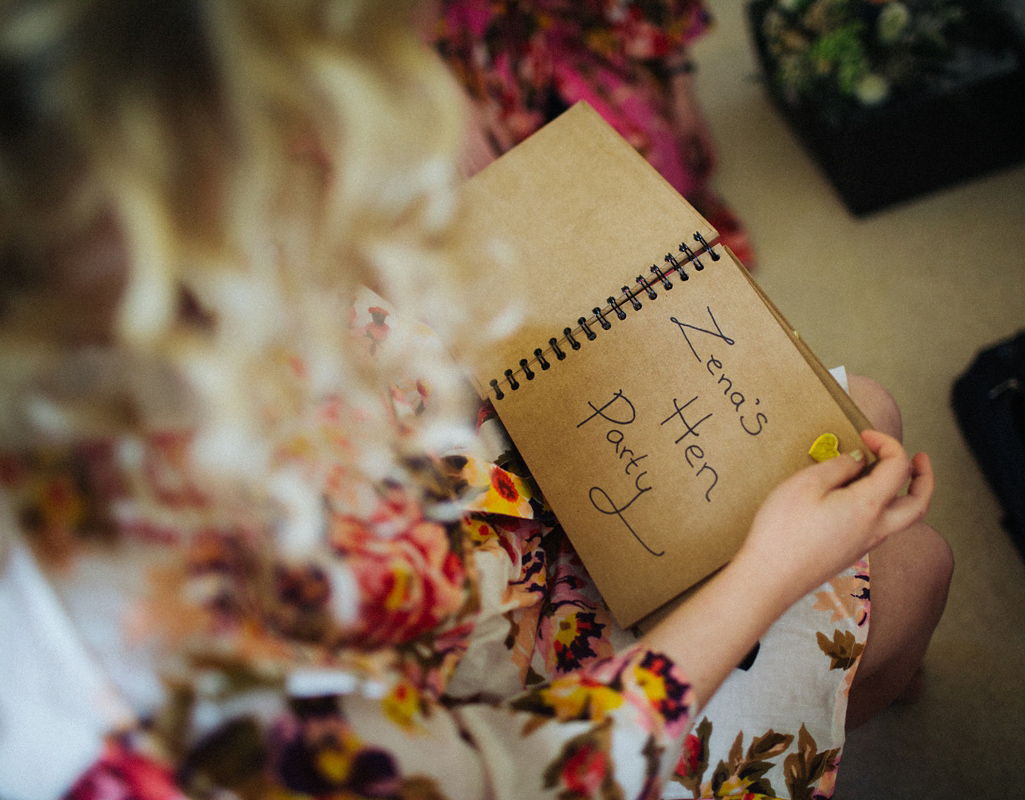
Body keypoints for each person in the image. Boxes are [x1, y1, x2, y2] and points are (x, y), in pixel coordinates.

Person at [0, 2, 950, 799]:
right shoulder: (184, 727)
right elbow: (536, 774)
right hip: (533, 722)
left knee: (864, 412)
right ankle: (877, 685)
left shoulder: (107, 291)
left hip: (472, 517)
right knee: (917, 573)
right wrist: (768, 572)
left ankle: (866, 674)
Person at [432, 0, 759, 267]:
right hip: (461, 51)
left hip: (581, 27)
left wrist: (681, 91)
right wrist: (454, 108)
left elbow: (656, 10)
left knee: (660, 173)